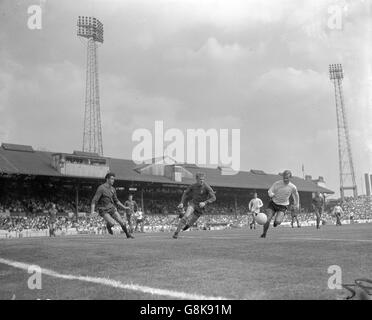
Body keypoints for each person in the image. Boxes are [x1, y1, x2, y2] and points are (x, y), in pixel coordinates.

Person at [173, 172, 216, 239]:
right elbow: (185, 193)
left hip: (201, 207)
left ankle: (188, 226)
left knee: (192, 221)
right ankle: (176, 233)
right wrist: (181, 202)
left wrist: (205, 202)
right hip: (193, 204)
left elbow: (214, 198)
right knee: (185, 216)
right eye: (200, 179)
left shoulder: (207, 187)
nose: (202, 181)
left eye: (203, 179)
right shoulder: (193, 186)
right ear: (196, 179)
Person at [91, 173, 134, 238]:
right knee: (112, 223)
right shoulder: (101, 188)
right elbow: (94, 200)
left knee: (122, 222)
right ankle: (108, 226)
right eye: (111, 179)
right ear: (107, 179)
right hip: (103, 209)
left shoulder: (113, 189)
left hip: (111, 208)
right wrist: (92, 211)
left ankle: (128, 234)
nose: (113, 180)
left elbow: (116, 201)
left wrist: (124, 207)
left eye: (113, 179)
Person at [261, 170, 300, 238]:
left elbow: (296, 195)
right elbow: (270, 190)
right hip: (273, 204)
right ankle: (264, 233)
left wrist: (297, 204)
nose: (285, 179)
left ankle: (276, 223)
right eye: (284, 178)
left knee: (278, 221)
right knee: (267, 219)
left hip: (283, 206)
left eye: (287, 178)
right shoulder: (277, 183)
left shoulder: (293, 187)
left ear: (290, 178)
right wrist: (271, 194)